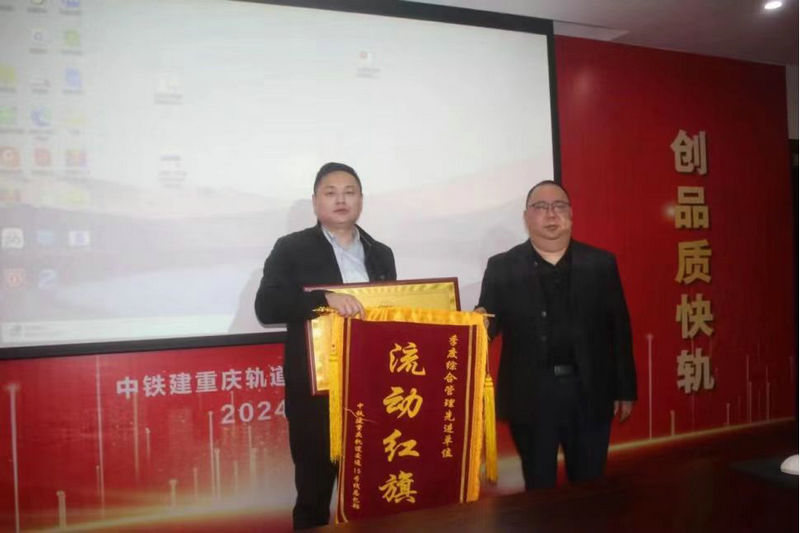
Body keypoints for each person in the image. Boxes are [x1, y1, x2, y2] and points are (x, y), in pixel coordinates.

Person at [254, 162, 396, 529]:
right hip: (317, 395)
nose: (340, 200)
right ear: (315, 201)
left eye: (349, 192)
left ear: (361, 199)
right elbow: (267, 306)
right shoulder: (291, 248)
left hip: (372, 392)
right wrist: (322, 299)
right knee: (314, 497)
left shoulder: (381, 253)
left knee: (373, 492)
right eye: (330, 193)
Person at [476, 180, 636, 489]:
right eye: (541, 207)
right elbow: (490, 322)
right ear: (526, 217)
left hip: (590, 391)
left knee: (589, 488)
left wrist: (625, 389)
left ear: (571, 214)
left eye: (559, 206)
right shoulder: (502, 266)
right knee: (539, 488)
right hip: (531, 395)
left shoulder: (600, 263)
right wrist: (480, 320)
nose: (551, 214)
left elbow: (619, 328)